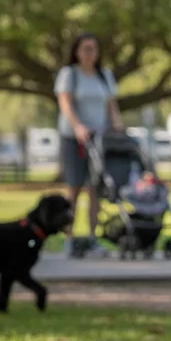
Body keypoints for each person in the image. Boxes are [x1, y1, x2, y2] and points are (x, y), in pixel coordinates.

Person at [56, 32, 122, 257]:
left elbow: (111, 105)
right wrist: (77, 126)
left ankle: (93, 238)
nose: (89, 53)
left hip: (99, 138)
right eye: (85, 48)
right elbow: (65, 102)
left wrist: (117, 126)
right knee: (74, 188)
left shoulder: (104, 76)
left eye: (93, 48)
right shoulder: (69, 74)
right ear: (76, 51)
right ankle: (69, 238)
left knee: (95, 189)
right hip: (74, 138)